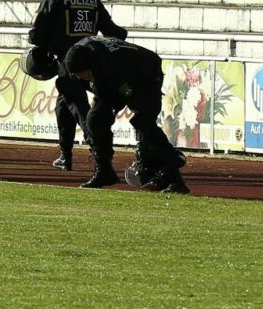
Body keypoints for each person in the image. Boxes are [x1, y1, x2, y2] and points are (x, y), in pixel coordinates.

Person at [28, 0, 128, 172]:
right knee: (63, 108)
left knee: (79, 108)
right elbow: (115, 32)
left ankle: (100, 155)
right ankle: (65, 155)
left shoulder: (54, 0)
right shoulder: (93, 2)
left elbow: (35, 36)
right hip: (92, 64)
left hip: (68, 64)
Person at [63, 36, 187, 193]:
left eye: (81, 73)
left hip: (145, 75)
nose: (79, 77)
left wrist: (143, 144)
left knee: (143, 123)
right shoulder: (79, 57)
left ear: (90, 66)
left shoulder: (112, 67)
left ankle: (174, 171)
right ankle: (104, 171)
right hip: (116, 75)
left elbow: (132, 97)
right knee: (95, 120)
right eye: (75, 74)